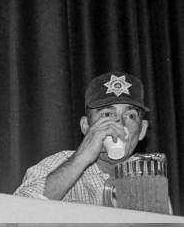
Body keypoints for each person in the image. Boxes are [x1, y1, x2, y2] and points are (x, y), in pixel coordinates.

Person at [14, 71, 150, 205]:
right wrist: (81, 158)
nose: (119, 124)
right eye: (107, 114)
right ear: (86, 126)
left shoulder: (150, 176)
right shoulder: (58, 164)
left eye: (130, 116)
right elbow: (16, 214)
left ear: (142, 130)